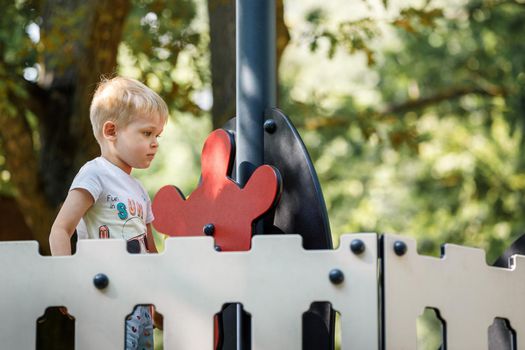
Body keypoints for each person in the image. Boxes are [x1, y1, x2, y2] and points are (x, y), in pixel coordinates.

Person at [49, 76, 168, 349]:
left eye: (157, 136)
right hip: (105, 295)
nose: (155, 143)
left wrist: (161, 300)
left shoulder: (139, 191)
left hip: (139, 301)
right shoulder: (96, 174)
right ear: (111, 131)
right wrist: (66, 284)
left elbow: (150, 252)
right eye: (147, 133)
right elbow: (60, 229)